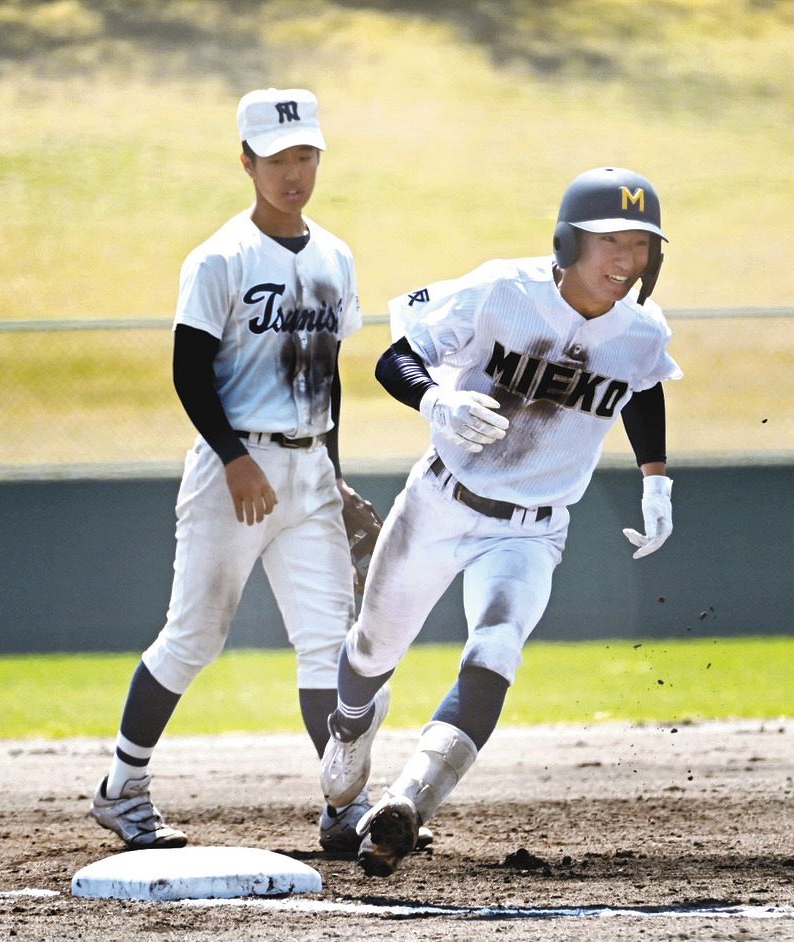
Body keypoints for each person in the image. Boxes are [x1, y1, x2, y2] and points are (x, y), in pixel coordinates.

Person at [319, 166, 682, 877]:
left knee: (497, 646)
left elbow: (641, 386)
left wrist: (656, 479)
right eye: (610, 240)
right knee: (371, 649)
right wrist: (436, 402)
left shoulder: (641, 330)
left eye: (640, 244)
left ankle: (407, 804)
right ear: (568, 241)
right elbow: (397, 357)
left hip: (531, 530)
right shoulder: (500, 290)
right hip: (441, 500)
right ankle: (351, 730)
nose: (626, 259)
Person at [89, 87, 379, 854]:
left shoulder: (335, 256)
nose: (294, 173)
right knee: (194, 635)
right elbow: (188, 372)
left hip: (310, 472)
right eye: (278, 158)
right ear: (246, 162)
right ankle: (122, 788)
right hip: (234, 472)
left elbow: (327, 376)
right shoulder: (220, 258)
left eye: (306, 156)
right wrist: (234, 457)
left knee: (328, 644)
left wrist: (335, 474)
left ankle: (344, 804)